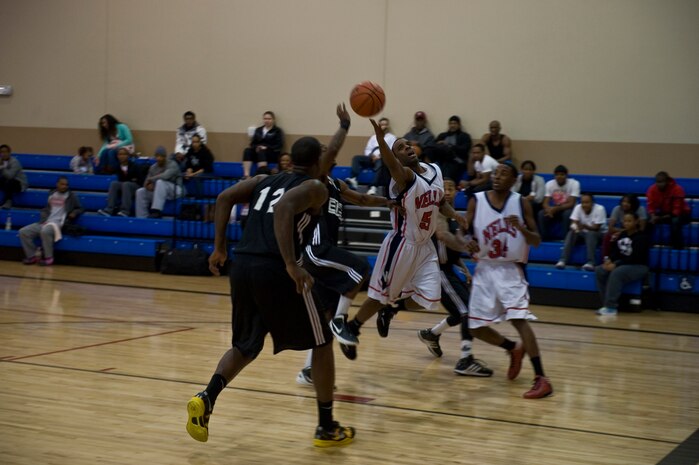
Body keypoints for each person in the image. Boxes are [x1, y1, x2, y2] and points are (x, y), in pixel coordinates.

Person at [185, 130, 355, 447]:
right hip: (275, 269)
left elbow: (224, 198)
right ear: (317, 162)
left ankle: (207, 397)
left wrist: (219, 248)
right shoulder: (315, 187)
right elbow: (284, 209)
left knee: (246, 345)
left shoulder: (265, 180)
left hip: (243, 266)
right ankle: (327, 426)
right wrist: (291, 264)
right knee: (321, 341)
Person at [331, 119, 466, 356]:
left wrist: (455, 215)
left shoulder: (435, 170)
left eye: (408, 145)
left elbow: (441, 202)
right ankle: (354, 327)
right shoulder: (402, 177)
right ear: (397, 159)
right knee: (380, 295)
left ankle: (390, 310)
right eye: (401, 148)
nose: (408, 148)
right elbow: (390, 161)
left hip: (425, 246)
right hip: (402, 244)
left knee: (430, 298)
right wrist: (382, 139)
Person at [298, 108, 399, 383]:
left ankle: (308, 369)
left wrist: (387, 202)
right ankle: (343, 322)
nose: (326, 153)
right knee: (359, 267)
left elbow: (363, 200)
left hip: (323, 257)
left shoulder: (335, 184)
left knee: (324, 317)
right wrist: (344, 125)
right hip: (315, 250)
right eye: (321, 151)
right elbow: (331, 152)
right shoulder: (312, 181)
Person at [464, 163, 553, 399]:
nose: (497, 176)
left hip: (511, 269)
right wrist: (466, 239)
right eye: (495, 173)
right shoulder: (477, 200)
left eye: (504, 173)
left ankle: (541, 378)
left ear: (514, 180)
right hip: (484, 269)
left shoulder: (521, 202)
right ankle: (513, 349)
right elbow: (464, 229)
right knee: (475, 328)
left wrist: (522, 229)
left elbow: (536, 241)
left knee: (519, 319)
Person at [415, 178, 493, 376]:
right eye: (444, 188)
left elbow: (450, 251)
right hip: (436, 271)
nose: (448, 192)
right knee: (468, 311)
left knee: (462, 312)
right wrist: (468, 246)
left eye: (451, 188)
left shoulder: (453, 217)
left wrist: (464, 268)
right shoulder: (436, 213)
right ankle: (465, 359)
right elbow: (443, 237)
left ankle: (431, 334)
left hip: (446, 269)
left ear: (457, 192)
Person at [19, 176, 84, 266]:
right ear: (57, 184)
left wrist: (74, 213)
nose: (64, 186)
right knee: (23, 232)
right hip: (45, 221)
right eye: (62, 184)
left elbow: (80, 208)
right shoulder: (51, 194)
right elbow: (48, 208)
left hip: (58, 224)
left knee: (45, 231)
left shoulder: (71, 196)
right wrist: (44, 213)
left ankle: (49, 258)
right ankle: (32, 256)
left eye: (66, 185)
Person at [595, 212, 650, 317]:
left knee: (617, 273)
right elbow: (616, 251)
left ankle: (611, 308)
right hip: (622, 263)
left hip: (639, 266)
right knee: (600, 270)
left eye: (629, 221)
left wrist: (616, 265)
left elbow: (635, 257)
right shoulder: (622, 235)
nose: (627, 223)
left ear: (636, 222)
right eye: (625, 221)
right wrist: (609, 260)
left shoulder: (642, 237)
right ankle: (606, 303)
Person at [555, 193, 607, 271]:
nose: (584, 205)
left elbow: (596, 228)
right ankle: (562, 260)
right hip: (584, 233)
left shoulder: (600, 209)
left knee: (591, 234)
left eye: (587, 202)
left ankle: (591, 262)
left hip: (599, 234)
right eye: (583, 202)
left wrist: (583, 226)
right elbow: (574, 223)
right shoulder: (578, 207)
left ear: (592, 203)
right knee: (572, 232)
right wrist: (575, 228)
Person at [345, 117, 395, 195]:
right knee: (356, 158)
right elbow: (368, 149)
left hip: (382, 159)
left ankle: (373, 186)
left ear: (388, 126)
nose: (383, 126)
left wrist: (380, 156)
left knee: (381, 163)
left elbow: (392, 151)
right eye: (381, 124)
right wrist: (371, 156)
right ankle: (353, 178)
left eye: (385, 124)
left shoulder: (391, 137)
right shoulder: (373, 137)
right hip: (372, 158)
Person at [135, 146, 184, 218]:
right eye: (157, 156)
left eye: (161, 156)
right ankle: (141, 217)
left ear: (165, 157)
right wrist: (148, 186)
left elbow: (165, 176)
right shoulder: (153, 167)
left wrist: (152, 180)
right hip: (159, 192)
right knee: (140, 191)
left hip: (176, 190)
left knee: (160, 182)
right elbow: (146, 182)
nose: (159, 158)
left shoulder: (172, 164)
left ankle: (156, 211)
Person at [646, 171, 691, 249]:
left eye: (662, 182)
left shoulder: (677, 189)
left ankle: (677, 247)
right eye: (657, 182)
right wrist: (653, 215)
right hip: (664, 213)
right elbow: (650, 206)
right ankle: (647, 244)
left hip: (682, 213)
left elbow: (676, 211)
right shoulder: (652, 189)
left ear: (667, 181)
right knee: (647, 220)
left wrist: (659, 218)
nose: (659, 184)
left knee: (675, 222)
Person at [538, 165, 580, 240]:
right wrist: (548, 210)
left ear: (566, 176)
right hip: (554, 209)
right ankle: (545, 239)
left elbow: (571, 203)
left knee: (567, 214)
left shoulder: (574, 183)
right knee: (541, 214)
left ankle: (566, 239)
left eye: (562, 174)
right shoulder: (549, 184)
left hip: (568, 209)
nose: (559, 176)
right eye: (557, 175)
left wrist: (556, 209)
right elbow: (545, 202)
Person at [98, 147, 145, 217]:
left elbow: (140, 180)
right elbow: (121, 180)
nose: (122, 156)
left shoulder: (134, 165)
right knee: (114, 184)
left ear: (127, 156)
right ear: (117, 156)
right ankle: (109, 209)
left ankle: (125, 211)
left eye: (124, 154)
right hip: (125, 185)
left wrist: (131, 180)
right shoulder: (117, 166)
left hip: (136, 186)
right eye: (120, 154)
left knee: (126, 184)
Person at [242, 111, 284, 178]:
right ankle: (246, 175)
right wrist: (257, 147)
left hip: (272, 153)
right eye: (265, 119)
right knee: (247, 150)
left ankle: (261, 175)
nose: (267, 121)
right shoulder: (258, 130)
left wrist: (266, 147)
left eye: (269, 119)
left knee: (262, 151)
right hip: (258, 151)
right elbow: (252, 143)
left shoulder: (277, 131)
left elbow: (279, 145)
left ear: (273, 120)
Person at [431, 115, 472, 181]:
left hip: (457, 160)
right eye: (451, 123)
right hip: (442, 159)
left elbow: (465, 149)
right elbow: (433, 146)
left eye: (454, 123)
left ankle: (447, 184)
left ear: (459, 125)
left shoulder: (464, 136)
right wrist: (439, 144)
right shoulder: (442, 135)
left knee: (448, 163)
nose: (452, 125)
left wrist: (450, 146)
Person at [0, 144, 28, 209]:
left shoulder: (14, 162)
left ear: (9, 153)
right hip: (6, 182)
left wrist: (2, 167)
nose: (3, 154)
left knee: (9, 182)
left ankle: (8, 201)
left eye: (5, 152)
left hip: (19, 183)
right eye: (1, 152)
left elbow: (10, 176)